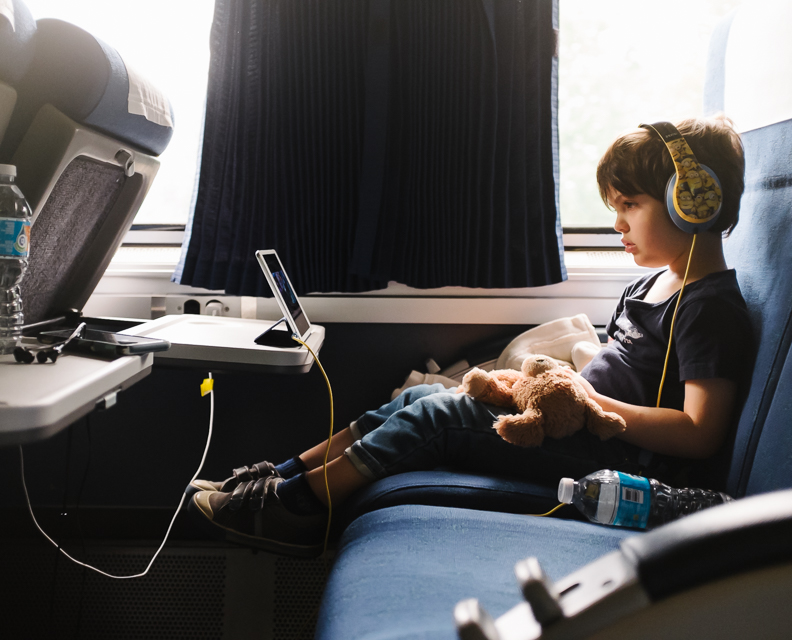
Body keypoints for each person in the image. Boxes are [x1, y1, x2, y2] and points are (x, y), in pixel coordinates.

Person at [187, 116, 754, 557]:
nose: (617, 224)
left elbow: (700, 434)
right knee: (423, 398)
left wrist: (589, 402)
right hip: (573, 425)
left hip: (615, 458)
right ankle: (283, 474)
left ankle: (298, 510)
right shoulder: (653, 285)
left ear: (692, 202)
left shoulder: (708, 309)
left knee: (436, 420)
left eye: (630, 206)